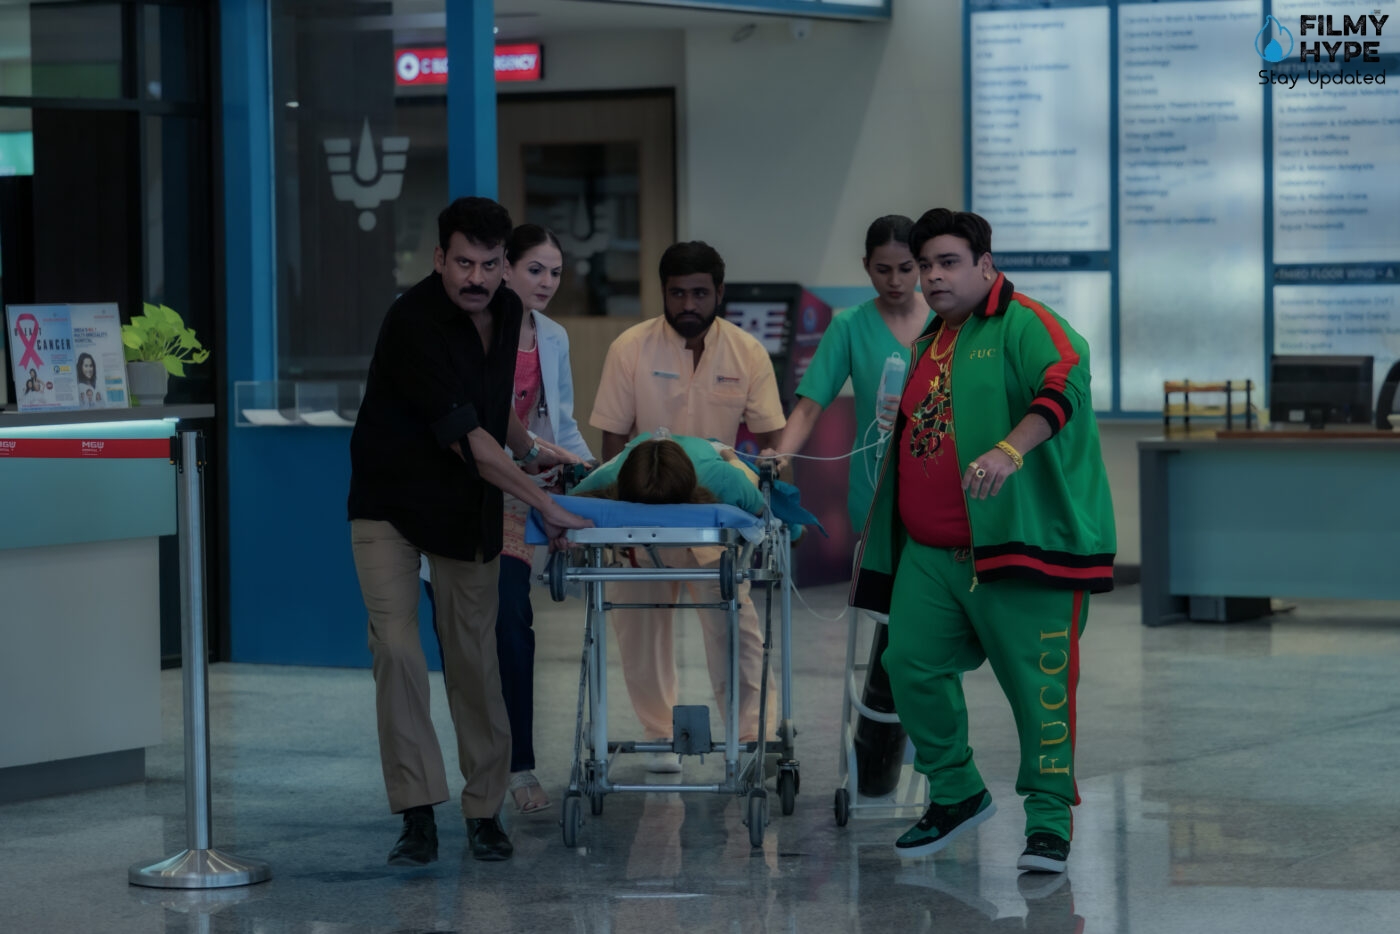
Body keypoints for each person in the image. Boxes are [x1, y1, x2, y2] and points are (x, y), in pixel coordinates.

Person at [850, 208, 1115, 874]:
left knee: (1039, 690)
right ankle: (956, 791)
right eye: (925, 266)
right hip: (930, 553)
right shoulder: (932, 339)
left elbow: (1066, 383)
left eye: (948, 263)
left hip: (1021, 548)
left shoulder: (1026, 323)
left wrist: (1009, 450)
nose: (933, 277)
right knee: (909, 666)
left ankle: (1049, 822)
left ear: (985, 265)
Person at [347, 196, 591, 866]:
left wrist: (536, 449)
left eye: (488, 264)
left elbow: (491, 410)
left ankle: (484, 810)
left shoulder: (509, 312)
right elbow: (469, 439)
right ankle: (417, 813)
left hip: (465, 508)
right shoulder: (412, 322)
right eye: (463, 263)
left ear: (502, 264)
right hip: (390, 506)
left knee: (475, 661)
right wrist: (543, 503)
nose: (476, 278)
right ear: (439, 258)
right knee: (397, 652)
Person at [590, 241, 785, 771]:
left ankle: (751, 736)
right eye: (677, 294)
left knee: (735, 628)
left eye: (700, 293)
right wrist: (616, 517)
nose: (688, 305)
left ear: (719, 292)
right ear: (664, 293)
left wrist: (769, 493)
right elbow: (612, 443)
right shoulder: (630, 347)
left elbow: (772, 440)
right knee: (639, 629)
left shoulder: (746, 351)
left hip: (715, 517)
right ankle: (659, 734)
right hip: (643, 514)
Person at [495, 223, 595, 814]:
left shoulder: (553, 336)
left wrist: (592, 480)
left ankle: (519, 766)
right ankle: (485, 769)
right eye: (535, 269)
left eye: (555, 272)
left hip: (520, 494)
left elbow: (562, 424)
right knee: (470, 639)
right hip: (465, 489)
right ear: (504, 266)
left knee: (513, 621)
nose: (547, 282)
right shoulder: (478, 329)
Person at [762, 215, 932, 531]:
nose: (895, 280)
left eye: (906, 268)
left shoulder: (947, 320)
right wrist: (780, 455)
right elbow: (809, 407)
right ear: (866, 265)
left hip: (938, 480)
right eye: (883, 270)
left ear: (921, 265)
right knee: (876, 559)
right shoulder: (849, 326)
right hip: (873, 481)